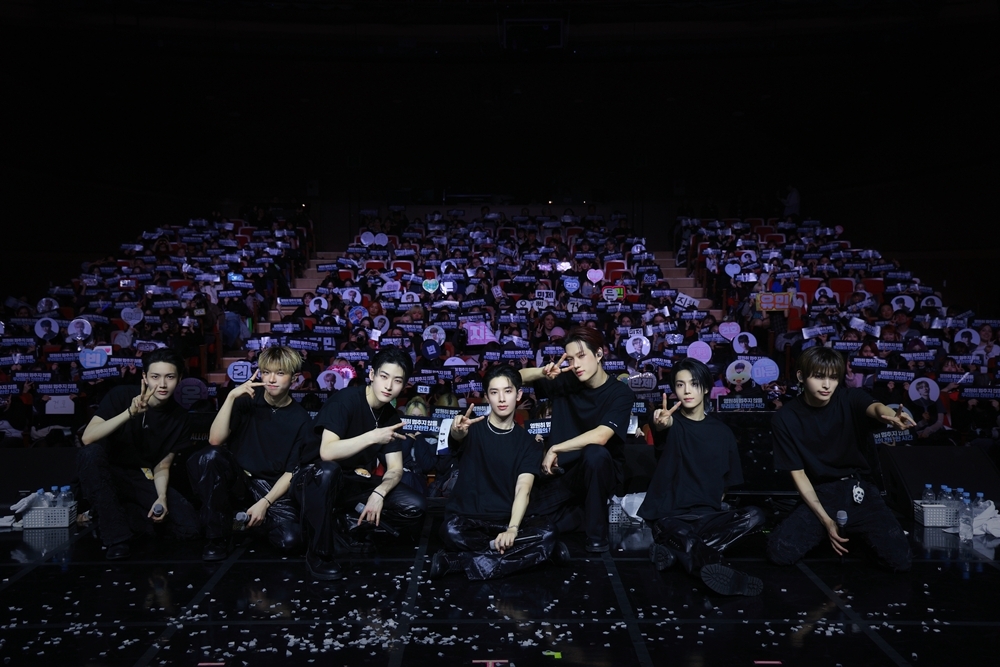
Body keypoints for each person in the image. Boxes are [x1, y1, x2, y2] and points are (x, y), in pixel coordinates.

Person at [766, 346, 915, 571]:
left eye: (833, 377)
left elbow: (874, 408)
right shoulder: (785, 418)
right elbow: (799, 475)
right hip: (822, 493)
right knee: (779, 551)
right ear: (801, 376)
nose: (827, 385)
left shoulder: (850, 398)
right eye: (819, 377)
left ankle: (858, 534)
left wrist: (891, 415)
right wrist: (826, 521)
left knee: (900, 560)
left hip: (859, 490)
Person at [295, 346, 426, 580]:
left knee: (415, 505)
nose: (389, 386)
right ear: (372, 375)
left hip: (350, 481)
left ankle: (344, 526)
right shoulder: (345, 401)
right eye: (384, 376)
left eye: (397, 381)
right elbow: (327, 452)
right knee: (329, 471)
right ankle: (318, 554)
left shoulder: (390, 417)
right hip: (312, 480)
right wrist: (373, 437)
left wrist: (380, 492)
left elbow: (395, 469)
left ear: (404, 385)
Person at [637, 358, 766, 596]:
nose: (686, 390)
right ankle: (721, 570)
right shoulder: (672, 424)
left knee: (756, 515)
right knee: (685, 537)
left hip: (708, 518)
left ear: (706, 388)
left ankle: (674, 553)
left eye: (694, 384)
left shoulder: (723, 433)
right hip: (671, 517)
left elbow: (725, 486)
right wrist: (659, 422)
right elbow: (661, 425)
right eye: (680, 385)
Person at [429, 366, 569, 581]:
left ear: (519, 395)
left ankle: (459, 562)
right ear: (487, 397)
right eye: (494, 392)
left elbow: (523, 488)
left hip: (508, 519)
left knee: (548, 531)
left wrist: (512, 529)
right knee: (450, 531)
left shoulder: (529, 443)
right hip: (469, 520)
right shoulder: (470, 429)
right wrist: (456, 431)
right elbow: (457, 436)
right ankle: (537, 554)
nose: (502, 399)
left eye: (508, 391)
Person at [187, 345, 313, 563]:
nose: (271, 379)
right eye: (266, 372)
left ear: (294, 378)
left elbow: (291, 471)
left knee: (292, 540)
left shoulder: (302, 419)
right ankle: (217, 537)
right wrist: (231, 397)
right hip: (239, 479)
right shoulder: (246, 400)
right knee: (209, 457)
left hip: (271, 486)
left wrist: (265, 502)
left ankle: (247, 523)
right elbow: (215, 440)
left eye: (280, 373)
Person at [519, 326, 635, 553]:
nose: (576, 364)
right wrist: (543, 372)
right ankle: (580, 516)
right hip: (564, 474)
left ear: (599, 354)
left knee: (595, 453)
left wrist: (555, 448)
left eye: (581, 356)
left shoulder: (620, 393)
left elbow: (602, 436)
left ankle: (597, 538)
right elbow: (515, 378)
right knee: (528, 520)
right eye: (571, 359)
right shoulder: (564, 381)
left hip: (600, 472)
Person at [78, 347, 199, 560]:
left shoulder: (180, 417)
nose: (162, 384)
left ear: (179, 379)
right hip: (107, 473)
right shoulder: (121, 395)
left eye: (170, 377)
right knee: (90, 453)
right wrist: (129, 413)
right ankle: (116, 538)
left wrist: (161, 497)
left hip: (140, 477)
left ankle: (120, 513)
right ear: (145, 377)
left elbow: (163, 464)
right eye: (155, 377)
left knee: (189, 527)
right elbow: (88, 437)